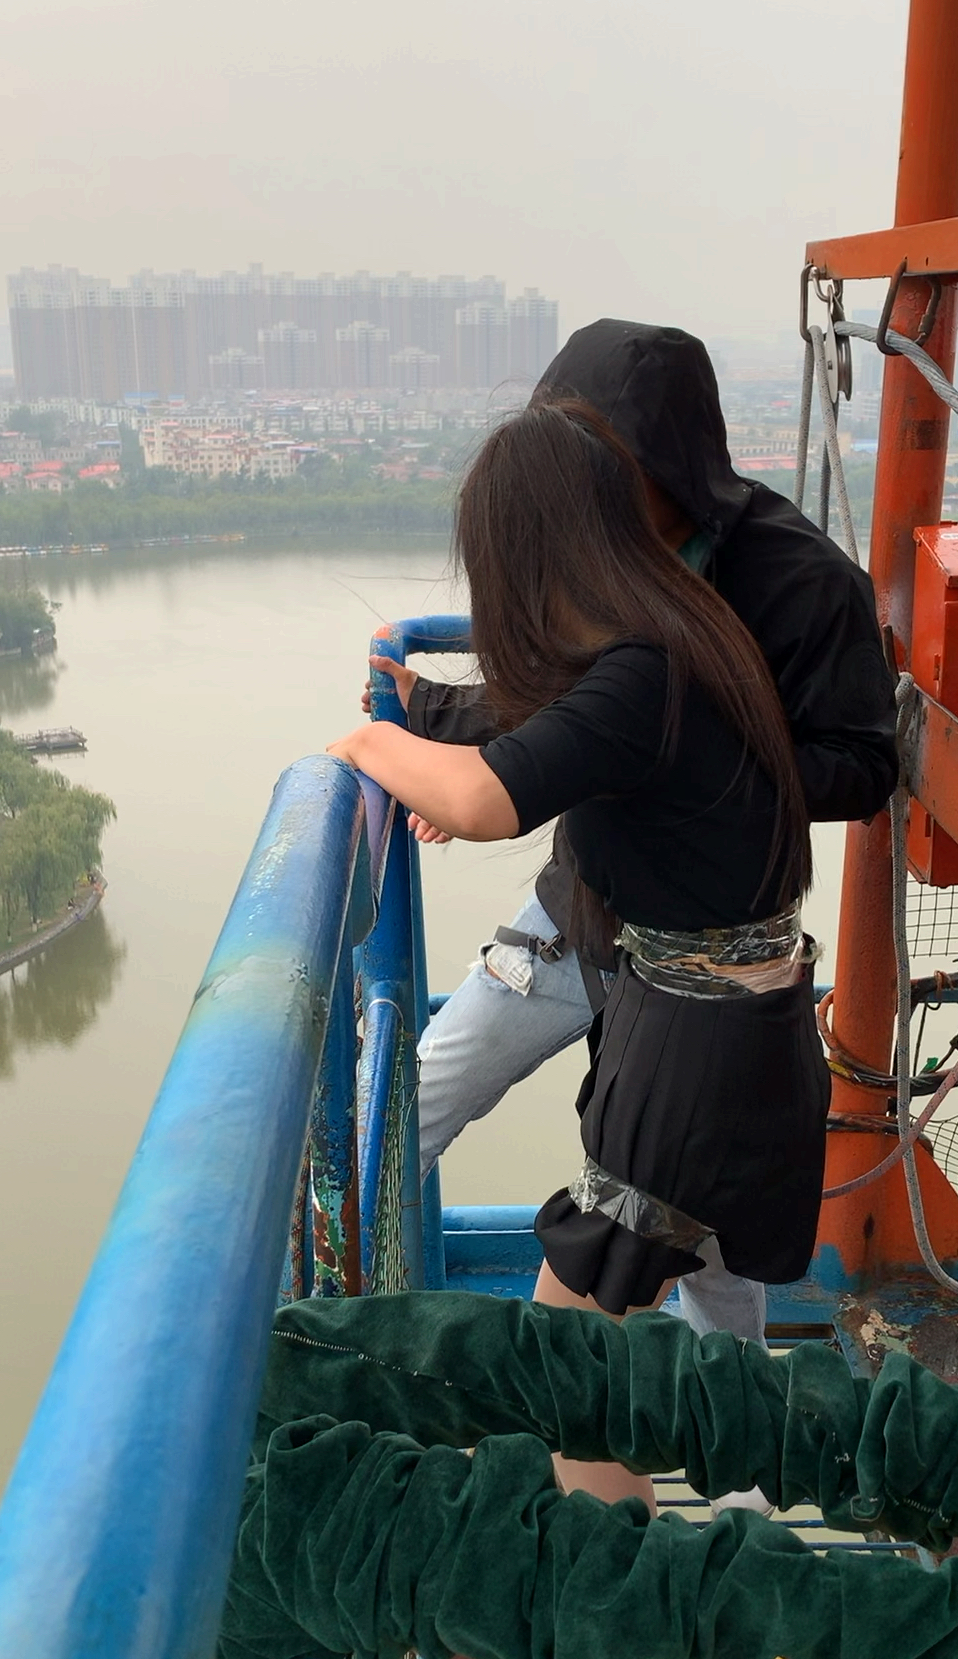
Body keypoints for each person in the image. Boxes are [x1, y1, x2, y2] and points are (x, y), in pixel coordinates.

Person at [329, 398, 830, 1509]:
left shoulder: (640, 671)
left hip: (695, 1049)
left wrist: (370, 740)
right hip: (743, 1024)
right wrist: (433, 718)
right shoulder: (686, 632)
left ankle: (627, 1592)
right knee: (685, 1306)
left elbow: (490, 796)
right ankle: (722, 1546)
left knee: (574, 1359)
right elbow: (538, 734)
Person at [366, 319, 897, 1354]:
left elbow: (865, 765)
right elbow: (568, 709)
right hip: (588, 912)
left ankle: (712, 1469)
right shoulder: (603, 571)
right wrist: (431, 712)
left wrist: (714, 762)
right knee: (409, 1099)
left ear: (661, 465)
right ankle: (321, 1299)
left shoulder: (801, 583)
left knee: (698, 1264)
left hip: (705, 962)